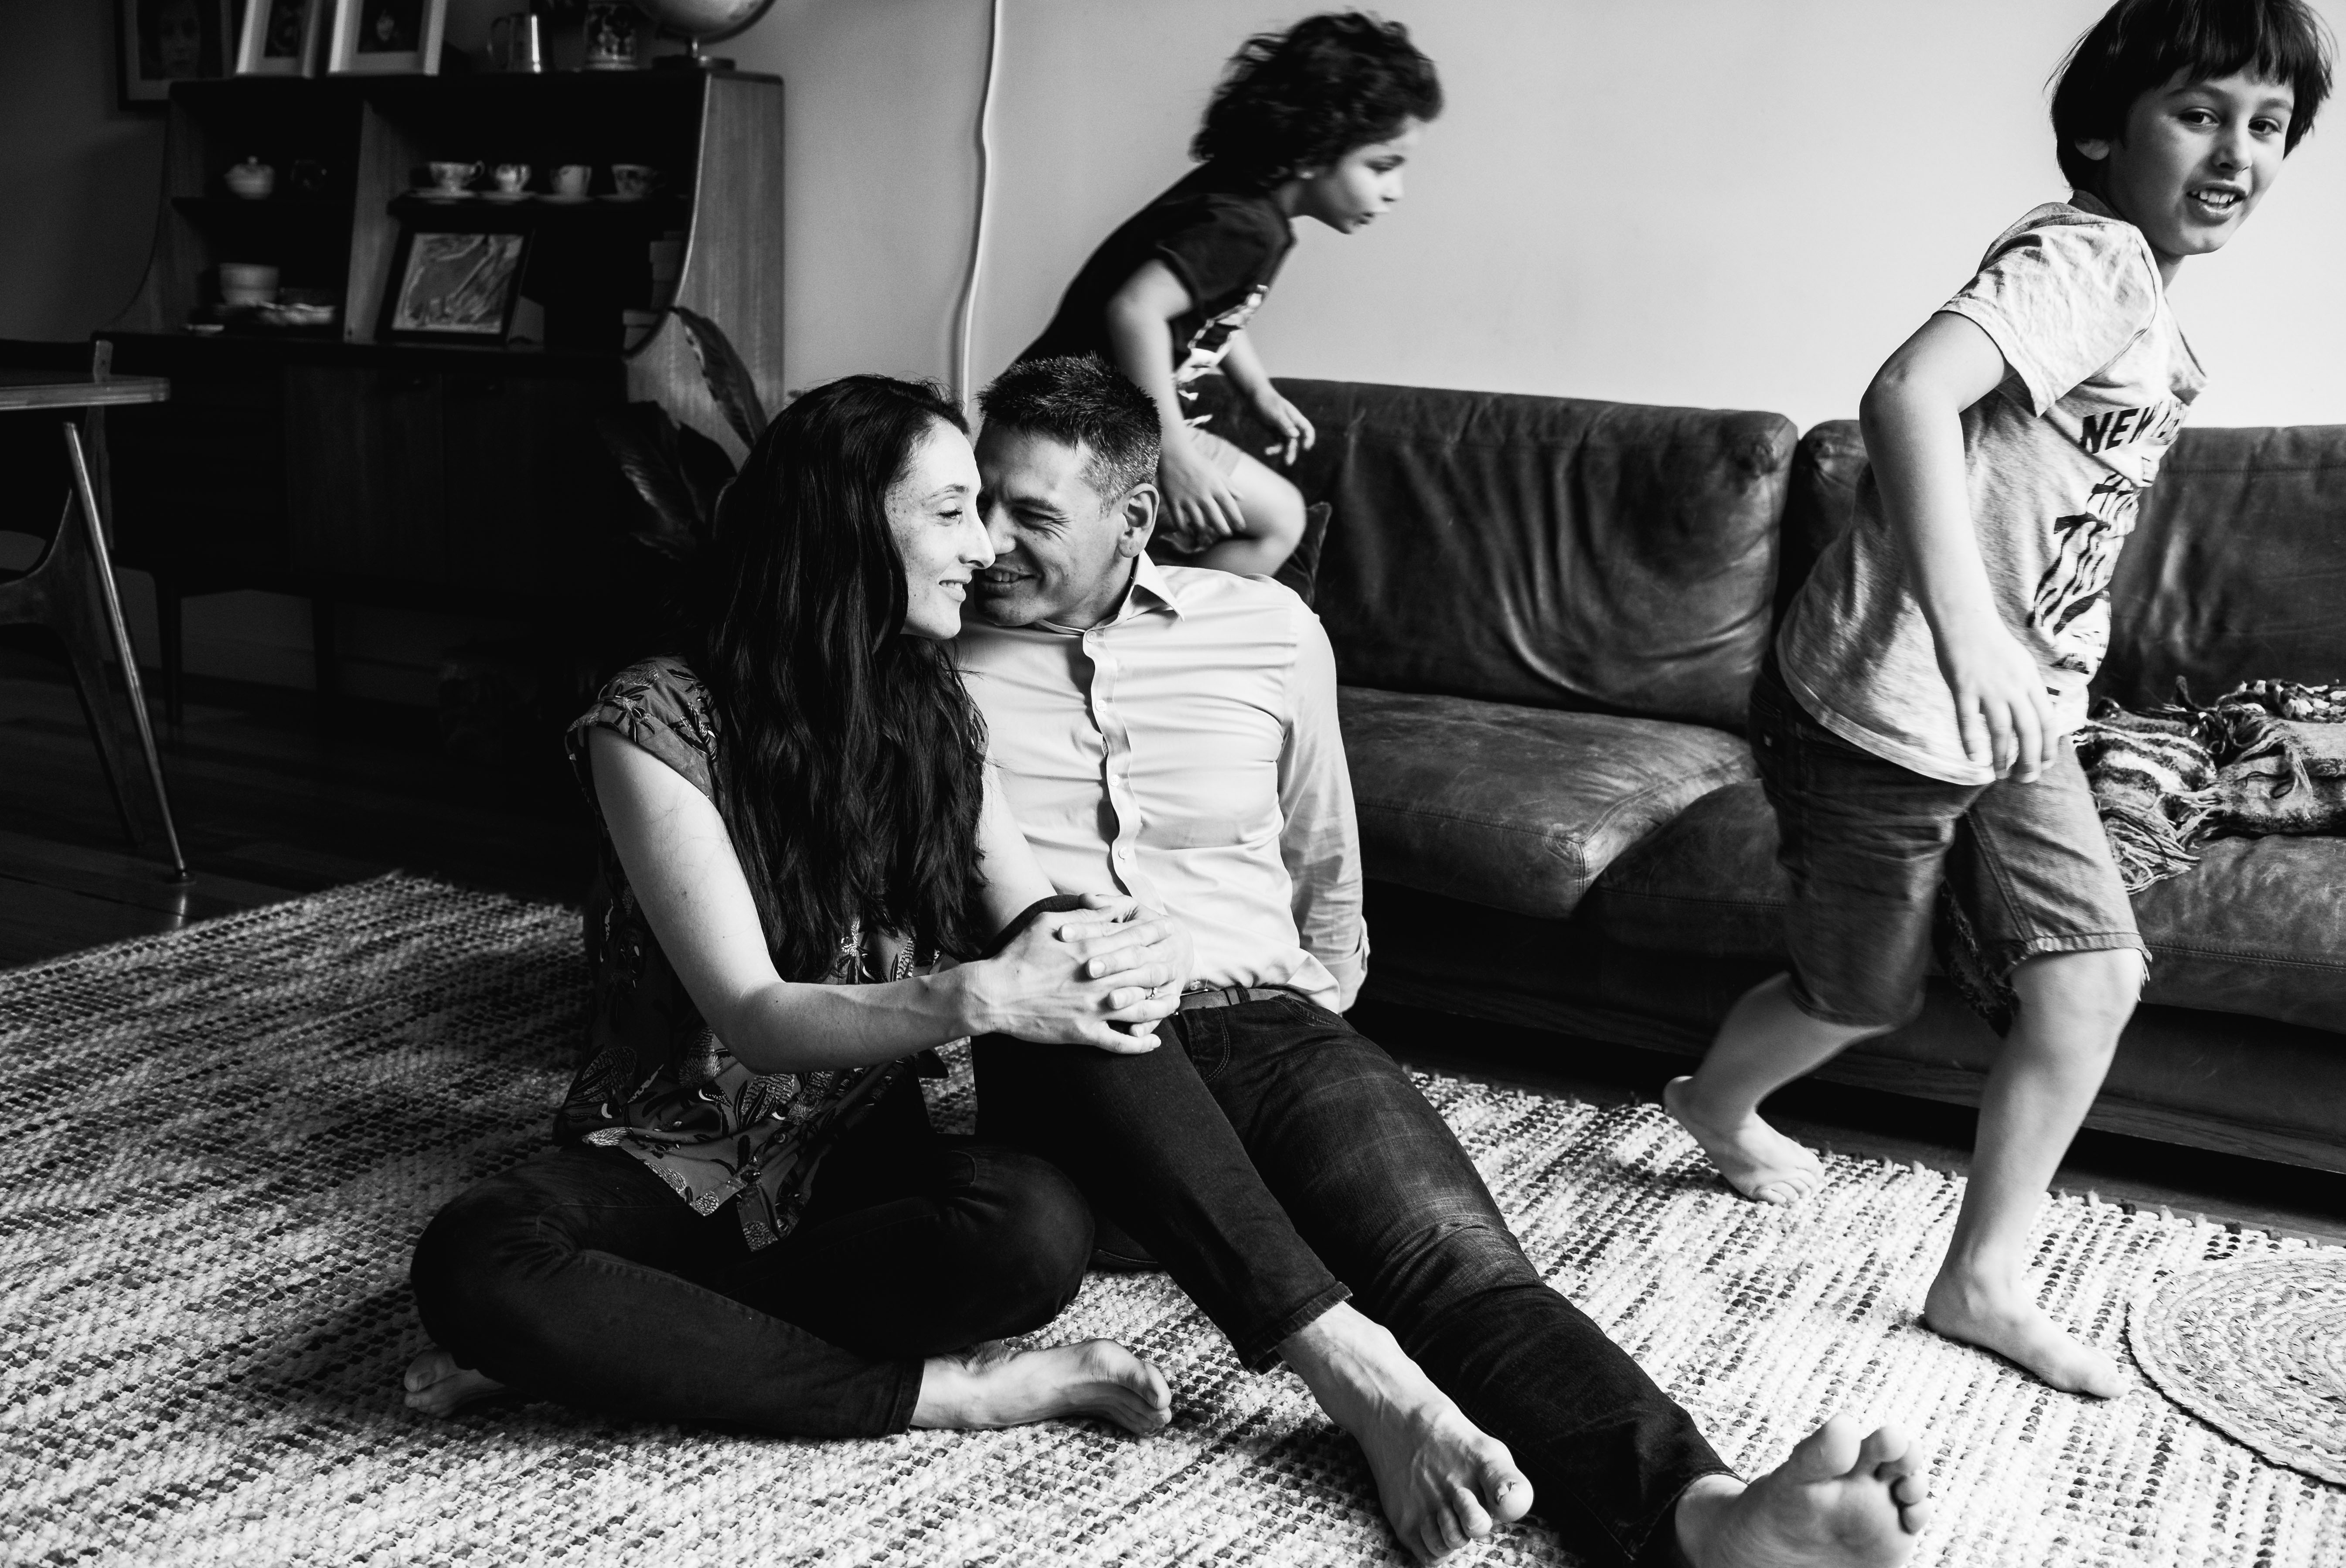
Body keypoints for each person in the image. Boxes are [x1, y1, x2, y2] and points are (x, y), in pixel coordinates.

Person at [956, 354, 1934, 1567]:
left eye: (1030, 515)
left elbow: (1322, 842)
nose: (986, 539)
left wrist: (1315, 983)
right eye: (976, 500)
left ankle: (1703, 1517)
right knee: (1100, 1031)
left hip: (1261, 1020)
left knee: (1458, 1269)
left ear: (1134, 518)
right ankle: (1363, 1384)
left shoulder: (1263, 631)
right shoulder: (920, 658)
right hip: (1077, 1051)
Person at [1664, 0, 2331, 1399]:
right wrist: (1968, 637)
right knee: (1857, 994)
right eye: (2197, 113)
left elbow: (2051, 520)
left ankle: (1978, 1279)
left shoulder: (2143, 297)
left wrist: (2042, 679)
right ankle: (1713, 1102)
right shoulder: (2082, 256)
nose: (2237, 152)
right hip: (1877, 712)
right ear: (2103, 129)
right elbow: (1904, 394)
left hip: (2012, 717)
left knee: (2090, 979)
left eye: (2267, 125)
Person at [402, 375, 1192, 1441]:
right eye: (952, 511)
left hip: (854, 1156)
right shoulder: (655, 719)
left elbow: (1030, 916)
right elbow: (754, 1018)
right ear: (847, 523)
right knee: (480, 1261)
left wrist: (1136, 937)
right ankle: (942, 1395)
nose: (984, 547)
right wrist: (974, 996)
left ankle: (607, 1353)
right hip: (667, 1154)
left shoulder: (935, 706)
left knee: (1035, 1229)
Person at [1017, 12, 1439, 578]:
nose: (1395, 192)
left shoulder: (1246, 203)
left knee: (1279, 516)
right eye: (1382, 166)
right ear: (1316, 148)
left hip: (1098, 420)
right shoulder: (1244, 225)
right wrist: (1175, 455)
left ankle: (1142, 614)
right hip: (1070, 432)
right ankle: (1149, 634)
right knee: (1279, 521)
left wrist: (1258, 392)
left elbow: (1212, 311)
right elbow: (1135, 311)